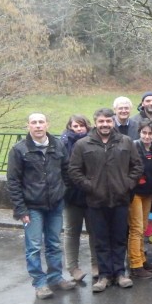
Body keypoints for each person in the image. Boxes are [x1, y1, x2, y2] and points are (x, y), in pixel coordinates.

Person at [69, 108, 143, 293]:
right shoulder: (82, 144)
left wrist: (127, 184)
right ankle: (104, 276)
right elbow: (74, 170)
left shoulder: (125, 142)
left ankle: (120, 273)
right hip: (95, 201)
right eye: (101, 121)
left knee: (119, 238)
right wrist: (90, 186)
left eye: (108, 121)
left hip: (120, 199)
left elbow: (137, 166)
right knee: (100, 240)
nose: (105, 125)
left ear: (113, 122)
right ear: (95, 122)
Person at [7, 113, 76, 300]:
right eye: (34, 123)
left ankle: (55, 277)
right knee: (34, 246)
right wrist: (21, 209)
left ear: (47, 124)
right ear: (28, 126)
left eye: (41, 122)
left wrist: (62, 193)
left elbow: (66, 172)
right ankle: (40, 283)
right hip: (31, 207)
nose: (38, 126)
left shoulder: (58, 145)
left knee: (54, 243)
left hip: (55, 204)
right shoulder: (19, 150)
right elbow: (13, 182)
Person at [61, 115, 97, 281]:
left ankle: (96, 264)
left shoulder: (93, 141)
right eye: (75, 126)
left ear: (87, 126)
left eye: (81, 125)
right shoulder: (63, 143)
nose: (78, 129)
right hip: (72, 195)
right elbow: (64, 168)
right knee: (71, 232)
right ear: (69, 127)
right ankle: (73, 267)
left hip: (92, 194)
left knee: (95, 231)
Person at [127, 119, 152, 279]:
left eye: (150, 133)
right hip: (134, 193)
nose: (147, 136)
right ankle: (135, 264)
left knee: (143, 227)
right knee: (136, 228)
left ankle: (142, 259)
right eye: (144, 133)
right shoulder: (133, 146)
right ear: (140, 133)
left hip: (148, 193)